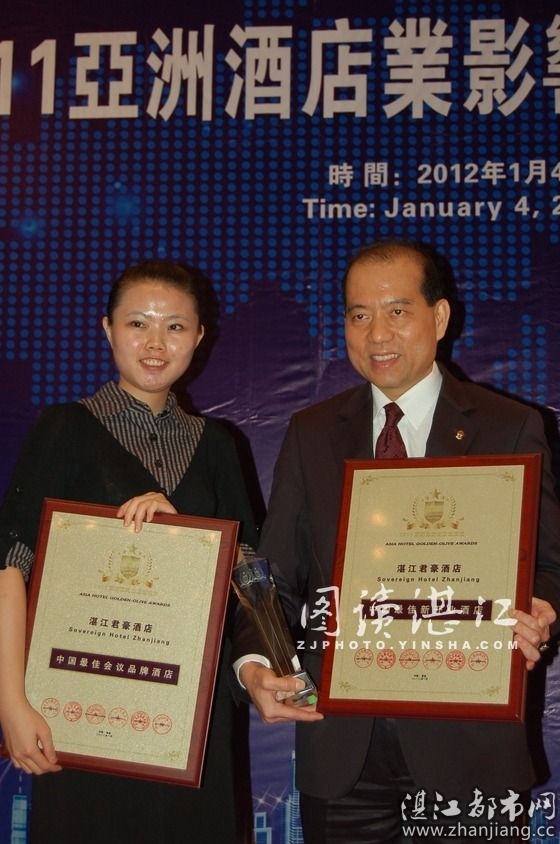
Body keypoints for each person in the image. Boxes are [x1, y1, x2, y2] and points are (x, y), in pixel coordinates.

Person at [233, 239, 560, 843]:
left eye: (397, 311)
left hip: (469, 747)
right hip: (343, 751)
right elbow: (273, 577)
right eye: (359, 315)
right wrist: (256, 663)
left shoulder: (510, 427)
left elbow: (549, 564)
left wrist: (541, 609)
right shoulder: (312, 434)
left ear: (440, 316)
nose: (377, 333)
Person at [0, 260, 258, 843]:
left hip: (188, 719)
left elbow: (249, 576)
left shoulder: (219, 445)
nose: (155, 343)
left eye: (175, 326)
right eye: (138, 323)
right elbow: (10, 564)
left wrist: (184, 537)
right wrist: (12, 702)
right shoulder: (64, 428)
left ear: (199, 337)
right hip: (80, 708)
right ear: (108, 329)